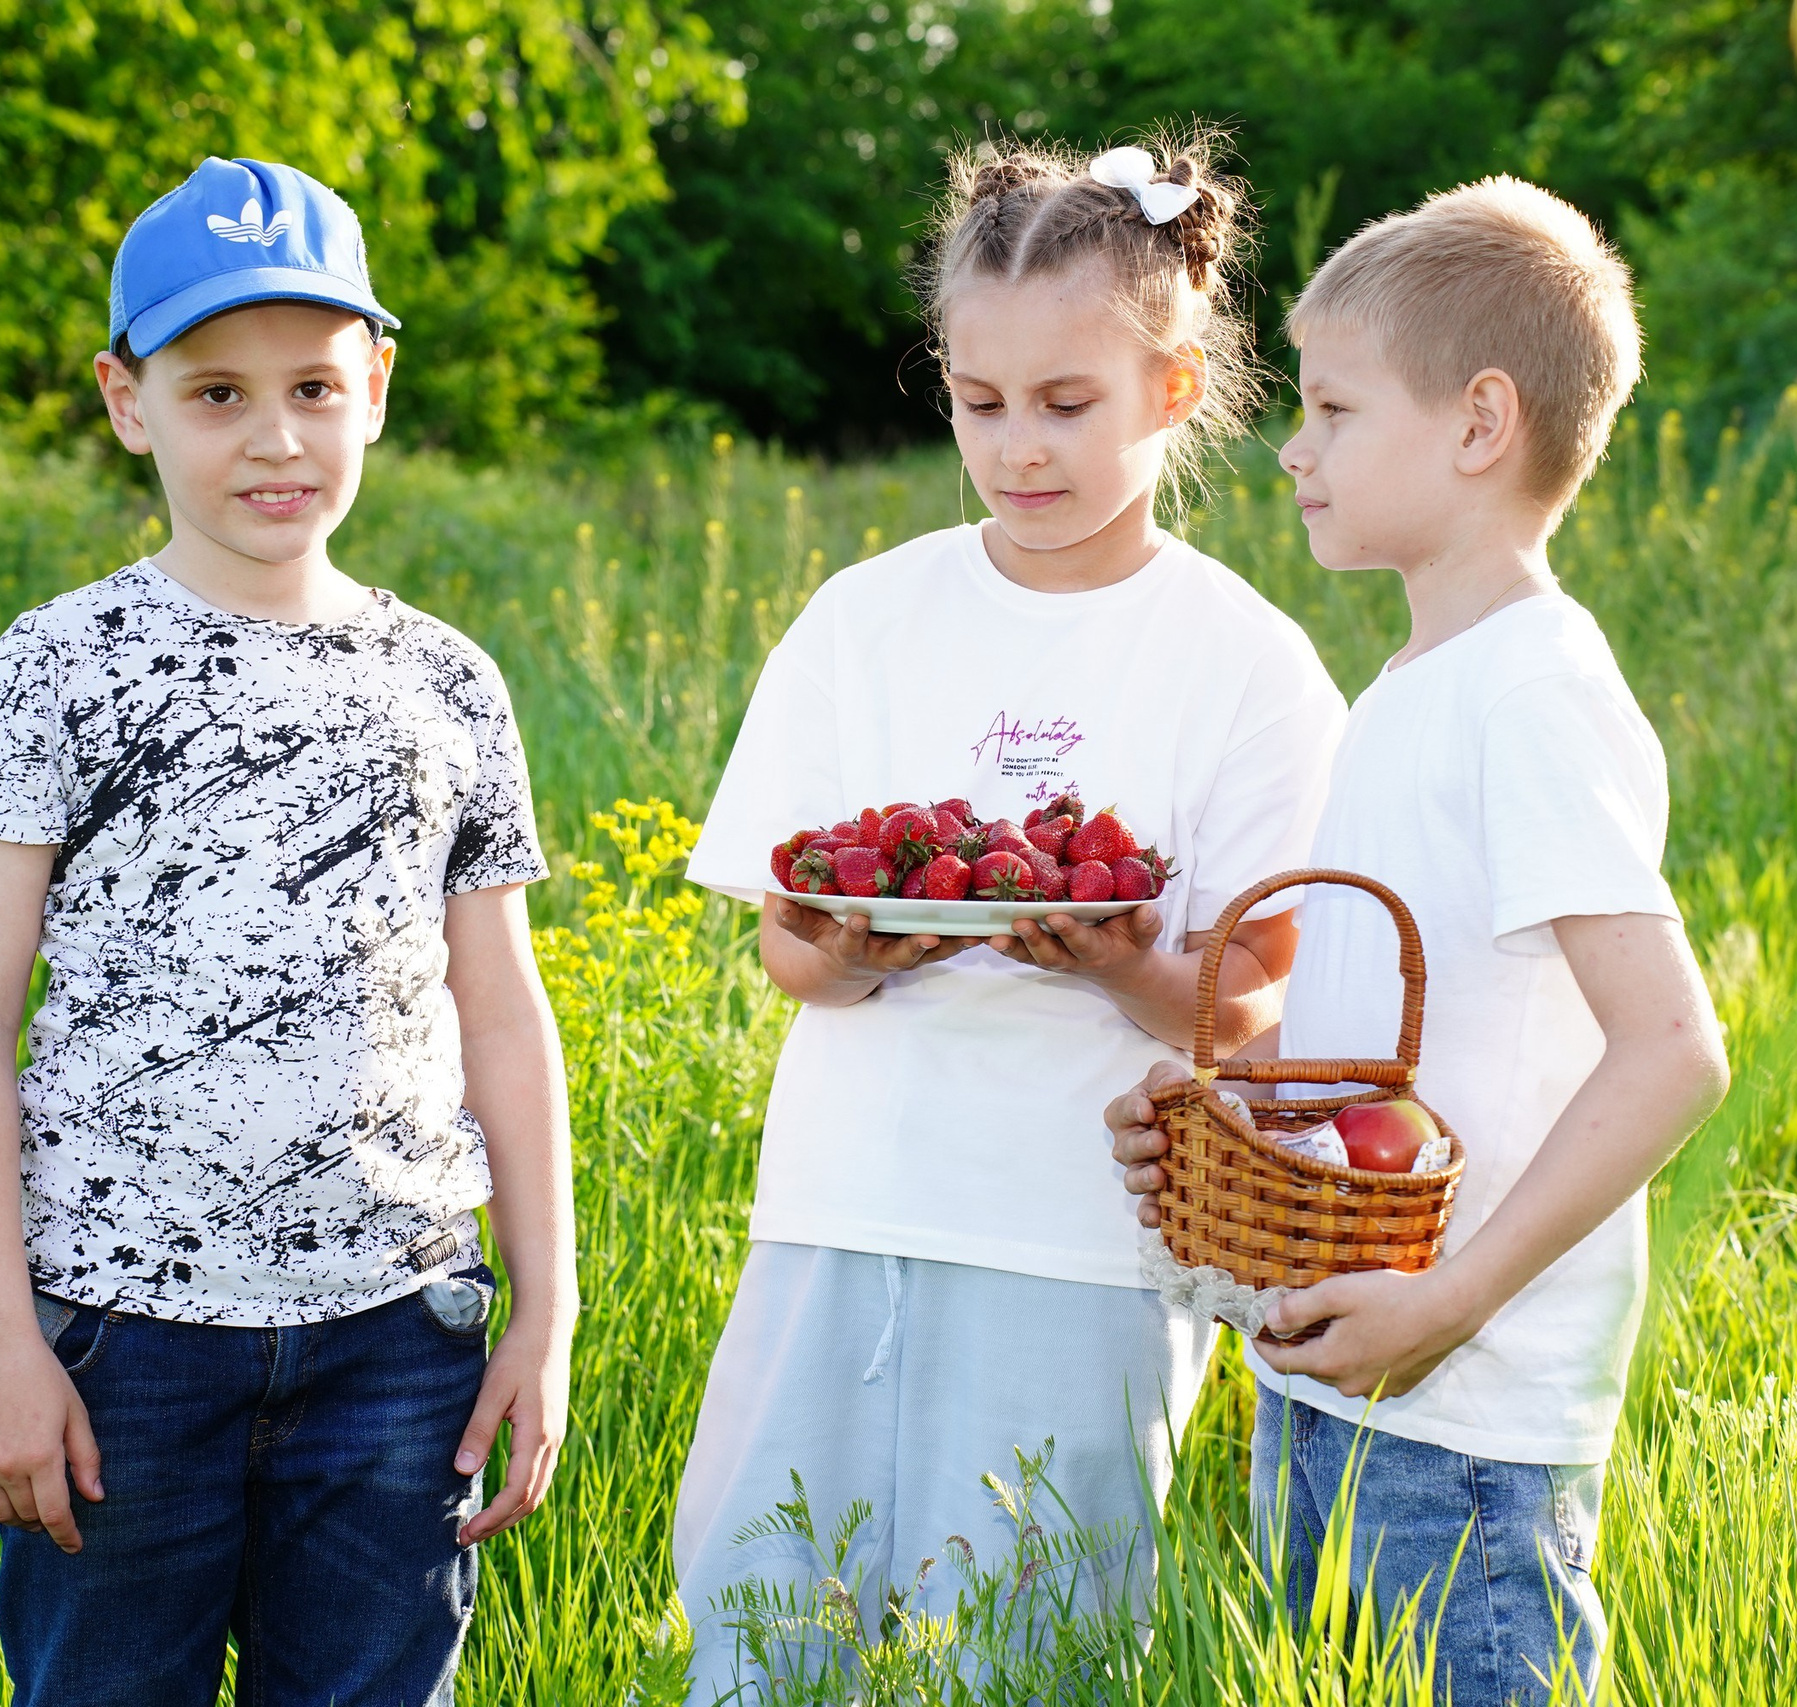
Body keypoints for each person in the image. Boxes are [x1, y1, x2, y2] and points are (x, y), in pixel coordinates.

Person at [672, 136, 1347, 1699]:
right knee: (775, 1625)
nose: (1017, 448)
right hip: (848, 1202)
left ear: (1173, 394)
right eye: (981, 404)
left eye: (1067, 406)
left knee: (1029, 1644)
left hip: (1086, 1242)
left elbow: (1243, 1003)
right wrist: (842, 949)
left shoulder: (1243, 664)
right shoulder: (867, 620)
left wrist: (1127, 969)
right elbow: (790, 950)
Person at [0, 156, 575, 1707]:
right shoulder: (58, 666)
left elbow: (501, 1011)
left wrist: (548, 1305)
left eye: (313, 387)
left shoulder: (449, 681)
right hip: (120, 1350)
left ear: (376, 388)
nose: (274, 437)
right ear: (127, 400)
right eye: (215, 393)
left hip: (399, 1338)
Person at [1106, 176, 1732, 1706]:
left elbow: (1674, 1053)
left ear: (1478, 426)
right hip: (1339, 1369)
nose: (1293, 448)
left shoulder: (1533, 695)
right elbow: (1396, 1031)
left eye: (1332, 410)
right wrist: (1225, 1115)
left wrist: (1453, 1301)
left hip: (1462, 1422)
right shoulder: (1414, 686)